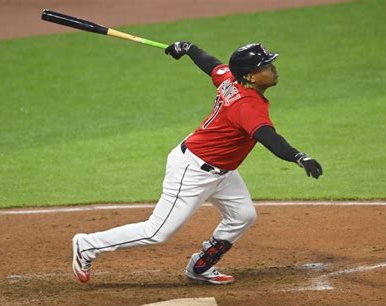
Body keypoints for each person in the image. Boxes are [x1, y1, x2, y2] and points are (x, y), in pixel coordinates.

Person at [72, 41, 323, 285]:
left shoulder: (231, 79)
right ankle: (87, 245)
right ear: (251, 77)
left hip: (222, 171)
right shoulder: (246, 105)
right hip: (193, 170)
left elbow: (212, 65)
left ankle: (200, 266)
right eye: (265, 66)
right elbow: (269, 138)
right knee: (156, 232)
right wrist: (299, 157)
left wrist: (189, 48)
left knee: (243, 216)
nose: (273, 68)